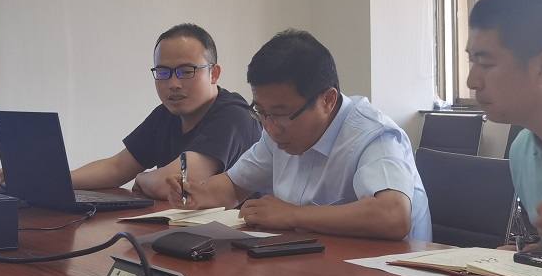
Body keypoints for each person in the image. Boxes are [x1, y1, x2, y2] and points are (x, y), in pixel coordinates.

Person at [167, 29, 431, 241]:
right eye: (261, 112)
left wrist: (293, 215)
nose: (270, 128)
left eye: (281, 114)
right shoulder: (276, 130)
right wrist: (197, 194)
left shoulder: (374, 135)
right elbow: (233, 187)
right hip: (317, 269)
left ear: (327, 100)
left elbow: (393, 215)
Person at [70, 23, 261, 200]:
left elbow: (175, 183)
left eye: (186, 71)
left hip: (242, 225)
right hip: (183, 223)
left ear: (214, 74)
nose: (173, 84)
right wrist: (59, 182)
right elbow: (117, 168)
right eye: (163, 73)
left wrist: (142, 178)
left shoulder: (234, 115)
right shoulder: (166, 114)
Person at [467, 0, 542, 254]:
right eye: (471, 62)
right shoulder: (522, 151)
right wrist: (536, 253)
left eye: (486, 64)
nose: (472, 81)